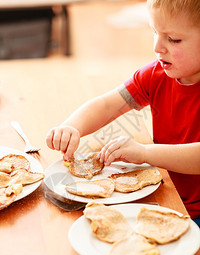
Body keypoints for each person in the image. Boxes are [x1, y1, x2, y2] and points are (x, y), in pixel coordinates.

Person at [46, 0, 200, 225]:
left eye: (173, 39)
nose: (157, 47)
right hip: (169, 192)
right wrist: (72, 127)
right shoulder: (156, 74)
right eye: (154, 32)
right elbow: (108, 105)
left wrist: (145, 153)